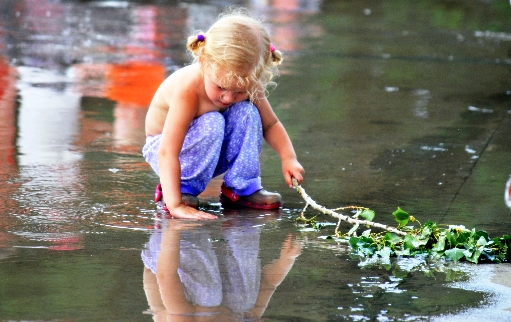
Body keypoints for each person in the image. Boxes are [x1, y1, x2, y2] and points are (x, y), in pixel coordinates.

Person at [142, 8, 304, 220]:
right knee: (213, 121)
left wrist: (288, 158)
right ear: (204, 63)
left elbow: (270, 124)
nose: (228, 98)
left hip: (211, 147)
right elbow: (167, 152)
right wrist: (175, 205)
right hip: (168, 150)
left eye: (239, 91)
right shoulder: (189, 90)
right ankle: (182, 188)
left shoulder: (250, 83)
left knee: (247, 112)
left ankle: (241, 189)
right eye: (220, 87)